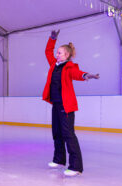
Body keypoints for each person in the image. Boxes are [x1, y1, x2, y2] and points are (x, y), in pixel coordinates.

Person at [42, 30, 99, 176]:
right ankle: (59, 159)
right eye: (57, 53)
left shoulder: (69, 67)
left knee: (68, 134)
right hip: (56, 103)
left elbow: (77, 73)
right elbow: (48, 51)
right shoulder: (54, 65)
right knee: (57, 133)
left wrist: (86, 75)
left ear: (67, 55)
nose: (57, 55)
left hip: (66, 105)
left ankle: (76, 166)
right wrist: (52, 39)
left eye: (60, 53)